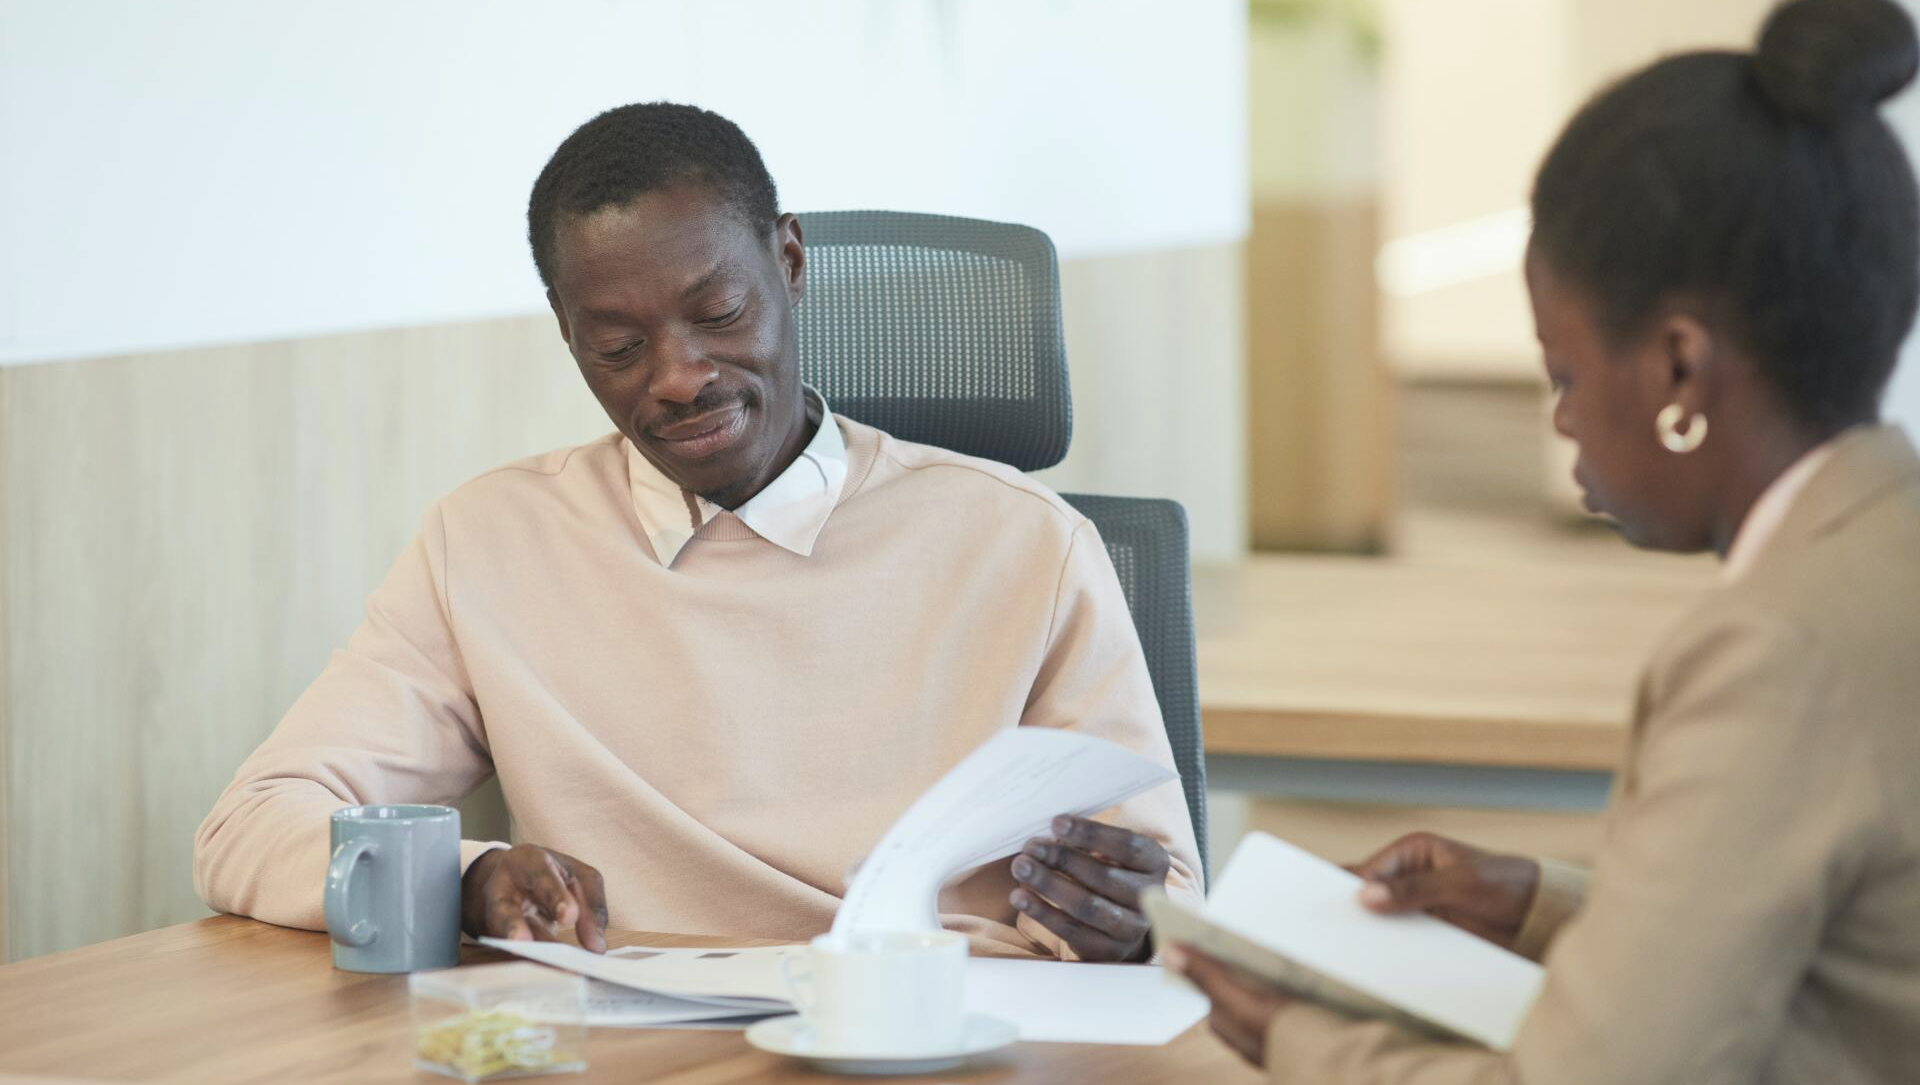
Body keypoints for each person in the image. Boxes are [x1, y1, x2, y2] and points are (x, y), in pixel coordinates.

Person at [194, 102, 1201, 962]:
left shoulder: (1025, 542)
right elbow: (252, 824)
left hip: (936, 1027)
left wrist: (1128, 920)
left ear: (790, 262)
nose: (676, 376)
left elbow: (1172, 900)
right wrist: (467, 876)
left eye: (717, 310)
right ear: (568, 335)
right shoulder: (491, 541)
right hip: (633, 1042)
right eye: (619, 345)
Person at [1170, 0, 1920, 1079]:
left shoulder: (1773, 653)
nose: (1561, 416)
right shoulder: (1882, 546)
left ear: (1675, 368)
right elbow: (1811, 939)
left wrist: (1290, 1032)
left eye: (1564, 372)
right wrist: (1536, 900)